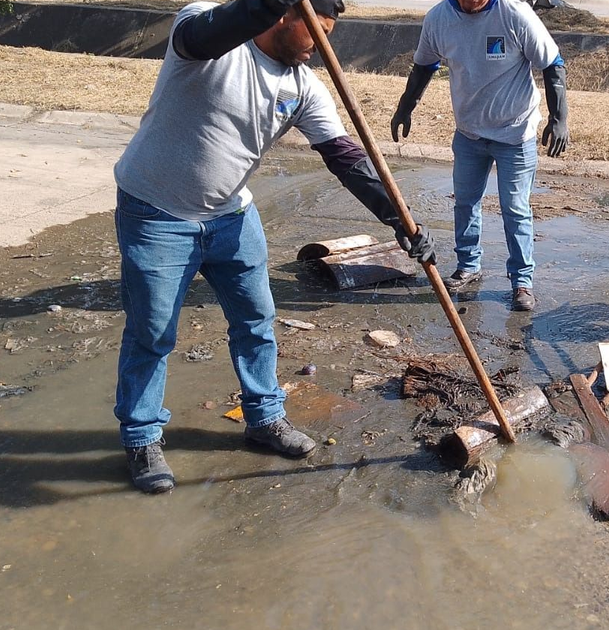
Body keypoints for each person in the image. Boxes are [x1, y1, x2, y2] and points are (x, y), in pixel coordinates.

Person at [112, 0, 435, 494]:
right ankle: (142, 438)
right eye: (318, 33)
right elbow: (206, 32)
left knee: (256, 320)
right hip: (156, 212)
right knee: (152, 333)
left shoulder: (303, 85)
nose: (322, 49)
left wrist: (401, 222)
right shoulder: (209, 37)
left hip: (231, 217)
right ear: (285, 16)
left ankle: (264, 420)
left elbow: (346, 160)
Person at [391, 0, 568, 312]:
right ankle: (469, 266)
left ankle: (521, 282)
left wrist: (559, 119)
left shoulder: (514, 14)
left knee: (514, 208)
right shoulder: (439, 18)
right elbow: (424, 66)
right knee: (465, 201)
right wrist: (405, 107)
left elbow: (552, 63)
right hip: (470, 133)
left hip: (515, 133)